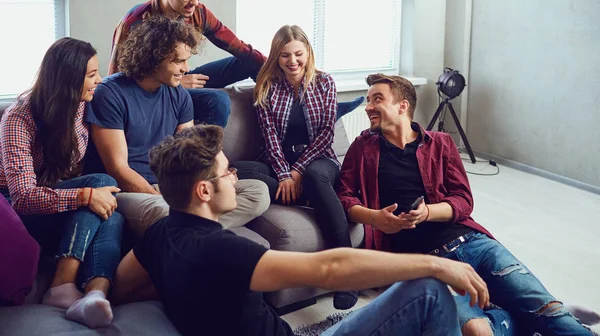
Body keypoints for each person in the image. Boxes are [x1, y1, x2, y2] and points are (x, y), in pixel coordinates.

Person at [111, 124, 491, 336]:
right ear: (204, 191)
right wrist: (434, 264)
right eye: (227, 172)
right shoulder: (220, 248)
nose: (235, 175)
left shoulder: (160, 235)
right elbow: (329, 268)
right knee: (428, 291)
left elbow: (124, 287)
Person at [337, 73, 592, 336]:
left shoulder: (441, 143)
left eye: (377, 99)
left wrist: (426, 213)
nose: (368, 107)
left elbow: (463, 200)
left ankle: (540, 316)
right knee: (477, 331)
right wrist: (375, 218)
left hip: (474, 245)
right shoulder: (363, 147)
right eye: (368, 100)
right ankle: (520, 319)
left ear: (402, 105)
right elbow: (344, 196)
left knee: (548, 311)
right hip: (423, 264)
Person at [109, 0, 363, 127]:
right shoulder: (135, 22)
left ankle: (308, 110)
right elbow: (118, 81)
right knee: (218, 99)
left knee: (246, 60)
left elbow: (239, 48)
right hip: (155, 91)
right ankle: (200, 162)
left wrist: (293, 70)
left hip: (180, 76)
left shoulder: (197, 13)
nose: (195, 2)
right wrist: (175, 82)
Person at [87, 16, 269, 238]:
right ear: (152, 59)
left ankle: (188, 230)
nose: (186, 68)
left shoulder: (179, 95)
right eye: (178, 61)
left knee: (257, 193)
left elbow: (187, 156)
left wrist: (220, 176)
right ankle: (191, 227)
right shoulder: (110, 93)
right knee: (164, 212)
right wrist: (164, 199)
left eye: (186, 60)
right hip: (132, 191)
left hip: (172, 188)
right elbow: (118, 168)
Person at [0, 38, 124, 328]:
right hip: (17, 210)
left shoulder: (80, 106)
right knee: (100, 185)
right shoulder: (18, 119)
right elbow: (23, 197)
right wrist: (84, 196)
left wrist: (89, 198)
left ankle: (94, 296)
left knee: (110, 209)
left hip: (52, 202)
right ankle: (62, 284)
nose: (100, 80)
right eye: (92, 75)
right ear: (68, 79)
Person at [235, 24, 358, 309]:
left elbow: (326, 133)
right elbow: (270, 138)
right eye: (284, 55)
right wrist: (283, 173)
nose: (293, 61)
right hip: (278, 164)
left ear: (308, 53)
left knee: (315, 175)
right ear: (275, 58)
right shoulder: (265, 87)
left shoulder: (325, 83)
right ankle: (301, 193)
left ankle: (347, 273)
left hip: (318, 161)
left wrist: (298, 171)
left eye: (298, 54)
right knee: (237, 169)